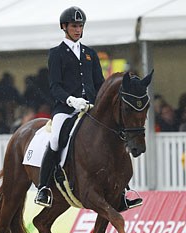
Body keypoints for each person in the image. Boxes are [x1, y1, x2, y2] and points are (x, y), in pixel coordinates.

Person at [34, 6, 142, 211]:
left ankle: (123, 191)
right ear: (64, 27)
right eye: (74, 26)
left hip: (91, 108)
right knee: (56, 138)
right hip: (66, 109)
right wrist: (71, 101)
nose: (78, 29)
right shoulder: (56, 54)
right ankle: (44, 188)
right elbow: (55, 86)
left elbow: (99, 82)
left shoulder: (90, 54)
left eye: (80, 26)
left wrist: (100, 101)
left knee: (114, 137)